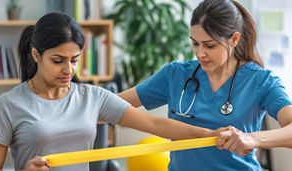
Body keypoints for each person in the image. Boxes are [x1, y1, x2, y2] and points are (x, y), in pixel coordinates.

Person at [0, 12, 225, 171]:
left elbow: (154, 124)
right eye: (58, 60)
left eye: (74, 60)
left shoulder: (92, 97)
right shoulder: (8, 105)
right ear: (36, 54)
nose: (68, 69)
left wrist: (212, 134)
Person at [118, 0, 292, 170]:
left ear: (234, 39)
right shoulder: (176, 74)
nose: (200, 53)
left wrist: (252, 139)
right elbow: (109, 105)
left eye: (210, 46)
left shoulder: (260, 81)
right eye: (195, 43)